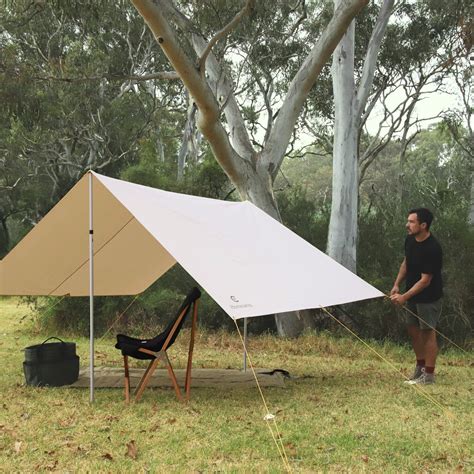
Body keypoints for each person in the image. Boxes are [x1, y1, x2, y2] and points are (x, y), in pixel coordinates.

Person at [390, 208, 443, 385]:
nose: (407, 225)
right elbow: (406, 263)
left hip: (428, 298)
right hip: (411, 295)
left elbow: (425, 281)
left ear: (423, 225)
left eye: (412, 222)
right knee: (413, 331)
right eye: (408, 221)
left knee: (428, 333)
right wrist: (397, 284)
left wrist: (404, 297)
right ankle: (420, 368)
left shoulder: (432, 248)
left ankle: (429, 376)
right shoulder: (410, 240)